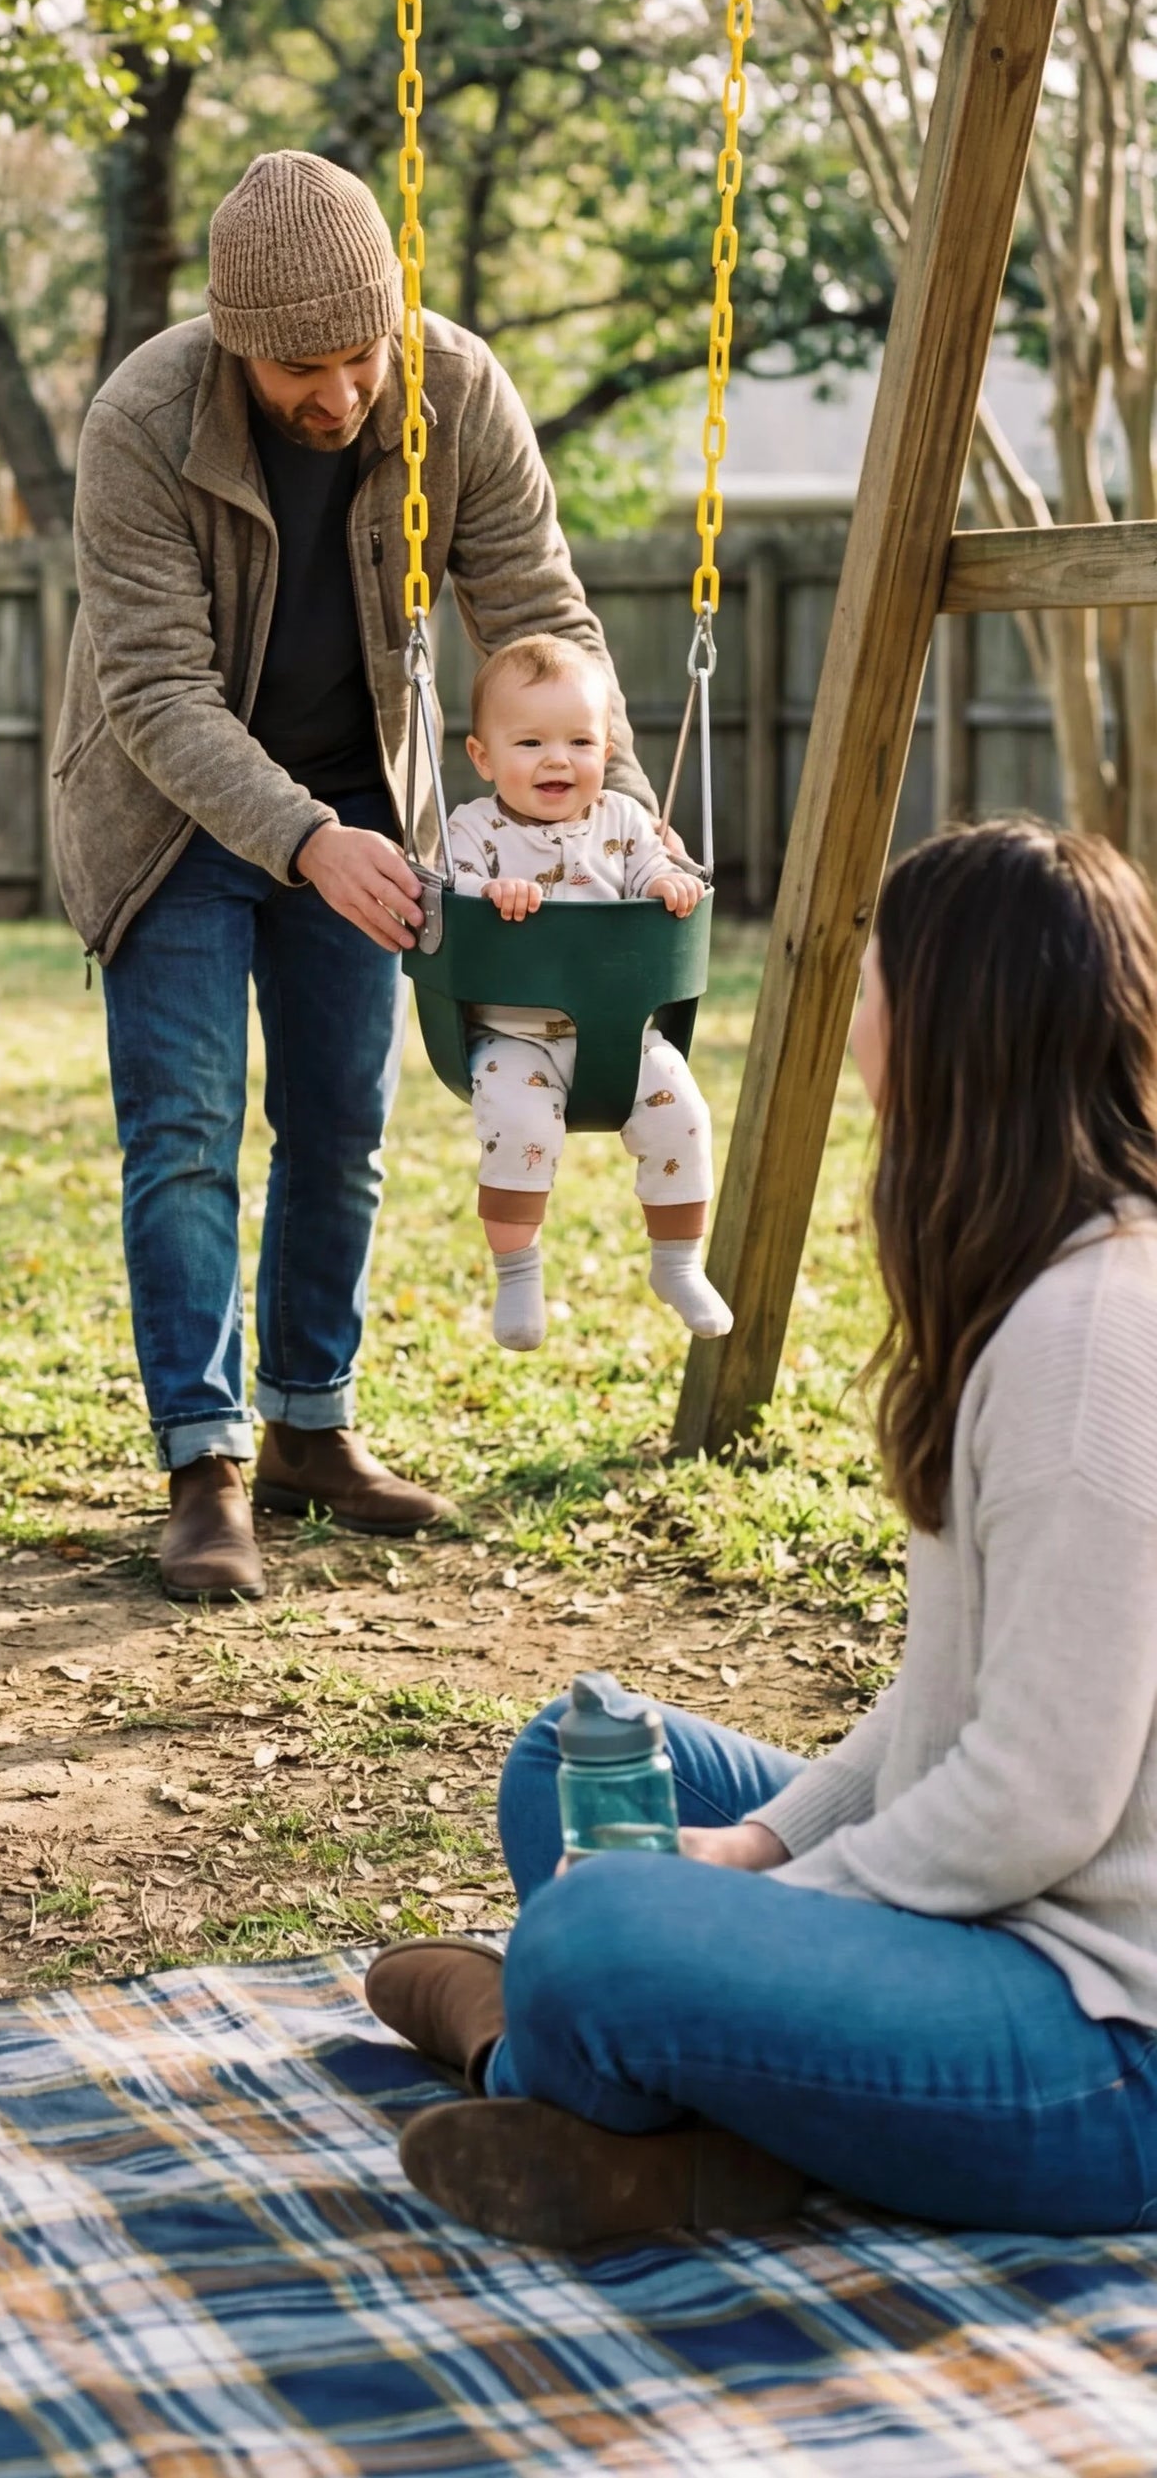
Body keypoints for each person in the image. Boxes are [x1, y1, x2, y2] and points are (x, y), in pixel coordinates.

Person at [367, 816, 1157, 2248]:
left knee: (594, 1934)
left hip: (1103, 2045)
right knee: (580, 1755)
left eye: (873, 988)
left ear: (953, 1034)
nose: (856, 1020)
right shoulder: (1037, 1278)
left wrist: (791, 1891)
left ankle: (529, 2057)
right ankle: (713, 2128)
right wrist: (765, 1848)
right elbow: (948, 1708)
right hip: (1002, 1919)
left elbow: (1040, 1798)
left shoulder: (1089, 1345)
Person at [51, 148, 656, 1603]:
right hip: (175, 815)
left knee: (342, 1125)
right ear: (230, 341)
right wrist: (305, 843)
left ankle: (310, 1428)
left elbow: (537, 613)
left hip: (362, 812)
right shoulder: (141, 417)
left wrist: (621, 817)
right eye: (294, 368)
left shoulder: (458, 391)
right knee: (185, 1134)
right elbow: (154, 690)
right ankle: (204, 1467)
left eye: (357, 356)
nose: (335, 395)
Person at [445, 631, 725, 1354]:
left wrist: (667, 881)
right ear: (483, 757)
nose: (558, 759)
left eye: (579, 741)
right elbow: (448, 890)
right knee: (519, 1128)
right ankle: (517, 1271)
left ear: (606, 748)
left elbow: (655, 872)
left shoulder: (626, 822)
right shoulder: (473, 829)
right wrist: (486, 891)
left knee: (685, 1117)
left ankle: (677, 1264)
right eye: (531, 742)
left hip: (621, 1034)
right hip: (513, 1037)